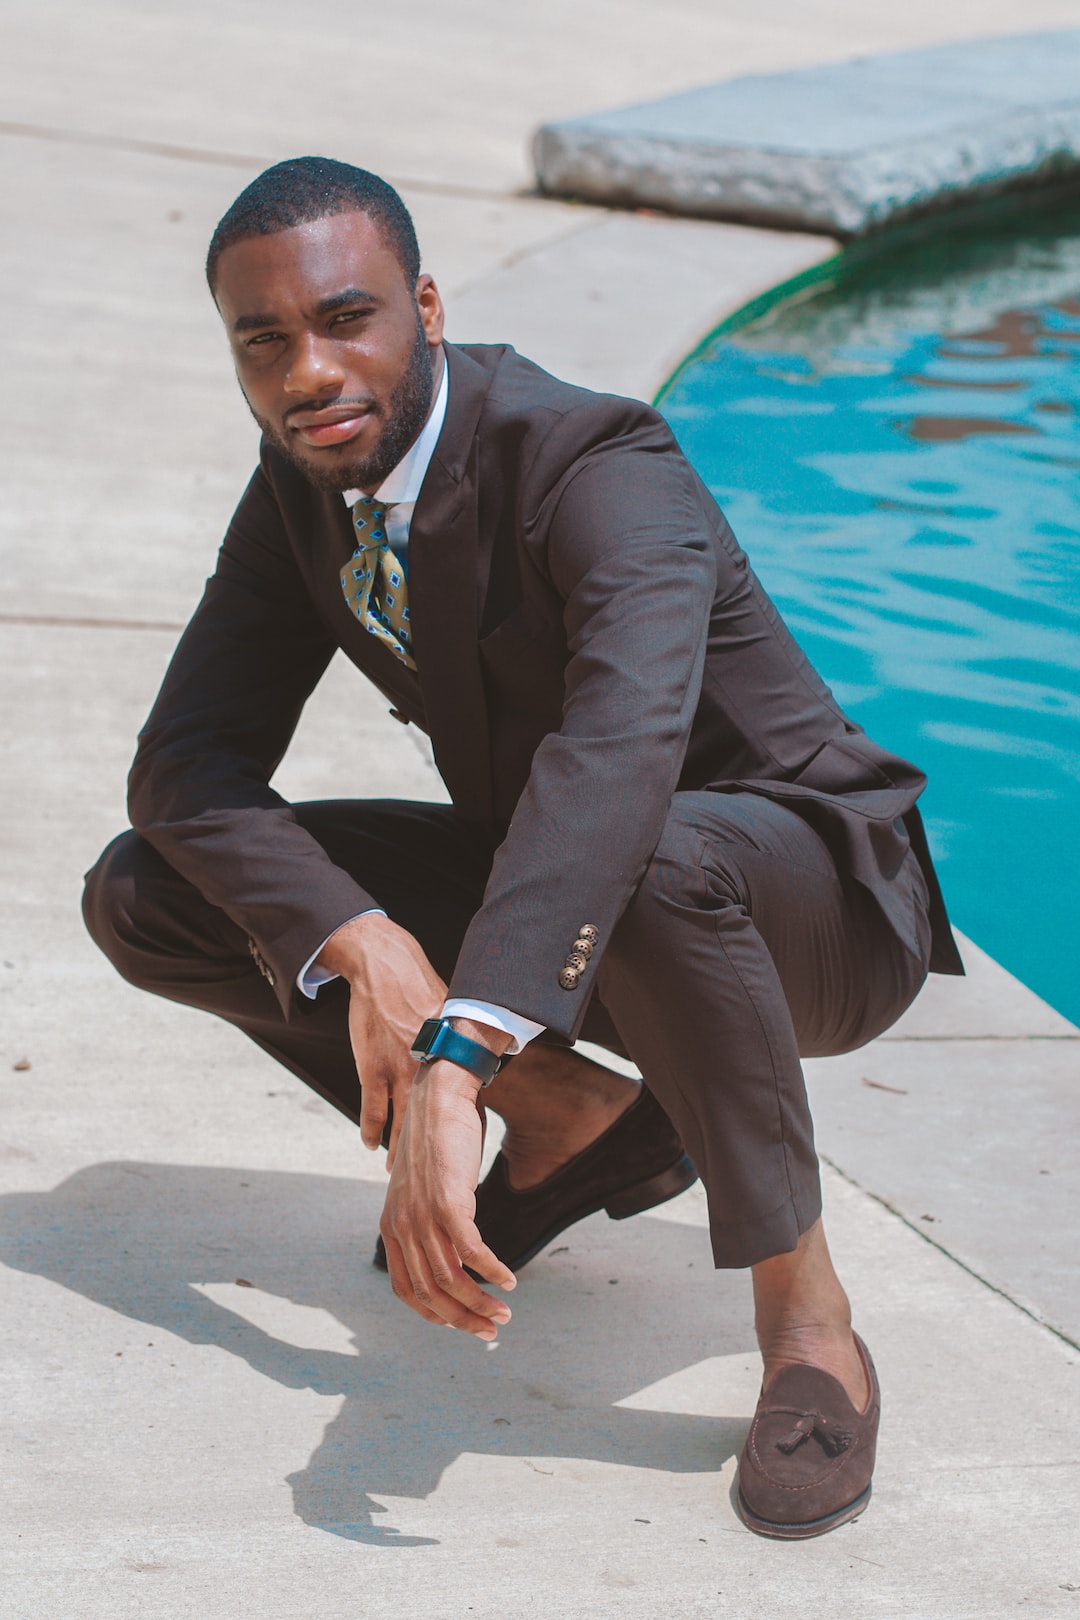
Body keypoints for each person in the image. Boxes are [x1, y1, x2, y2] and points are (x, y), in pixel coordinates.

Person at [83, 156, 963, 1540]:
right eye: (265, 340)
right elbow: (183, 767)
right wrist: (367, 946)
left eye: (346, 319)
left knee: (652, 852)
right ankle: (576, 1124)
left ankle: (810, 1323)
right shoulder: (308, 479)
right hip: (571, 899)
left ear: (427, 307)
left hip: (812, 908)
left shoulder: (598, 461)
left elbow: (619, 760)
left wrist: (455, 1055)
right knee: (149, 890)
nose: (309, 372)